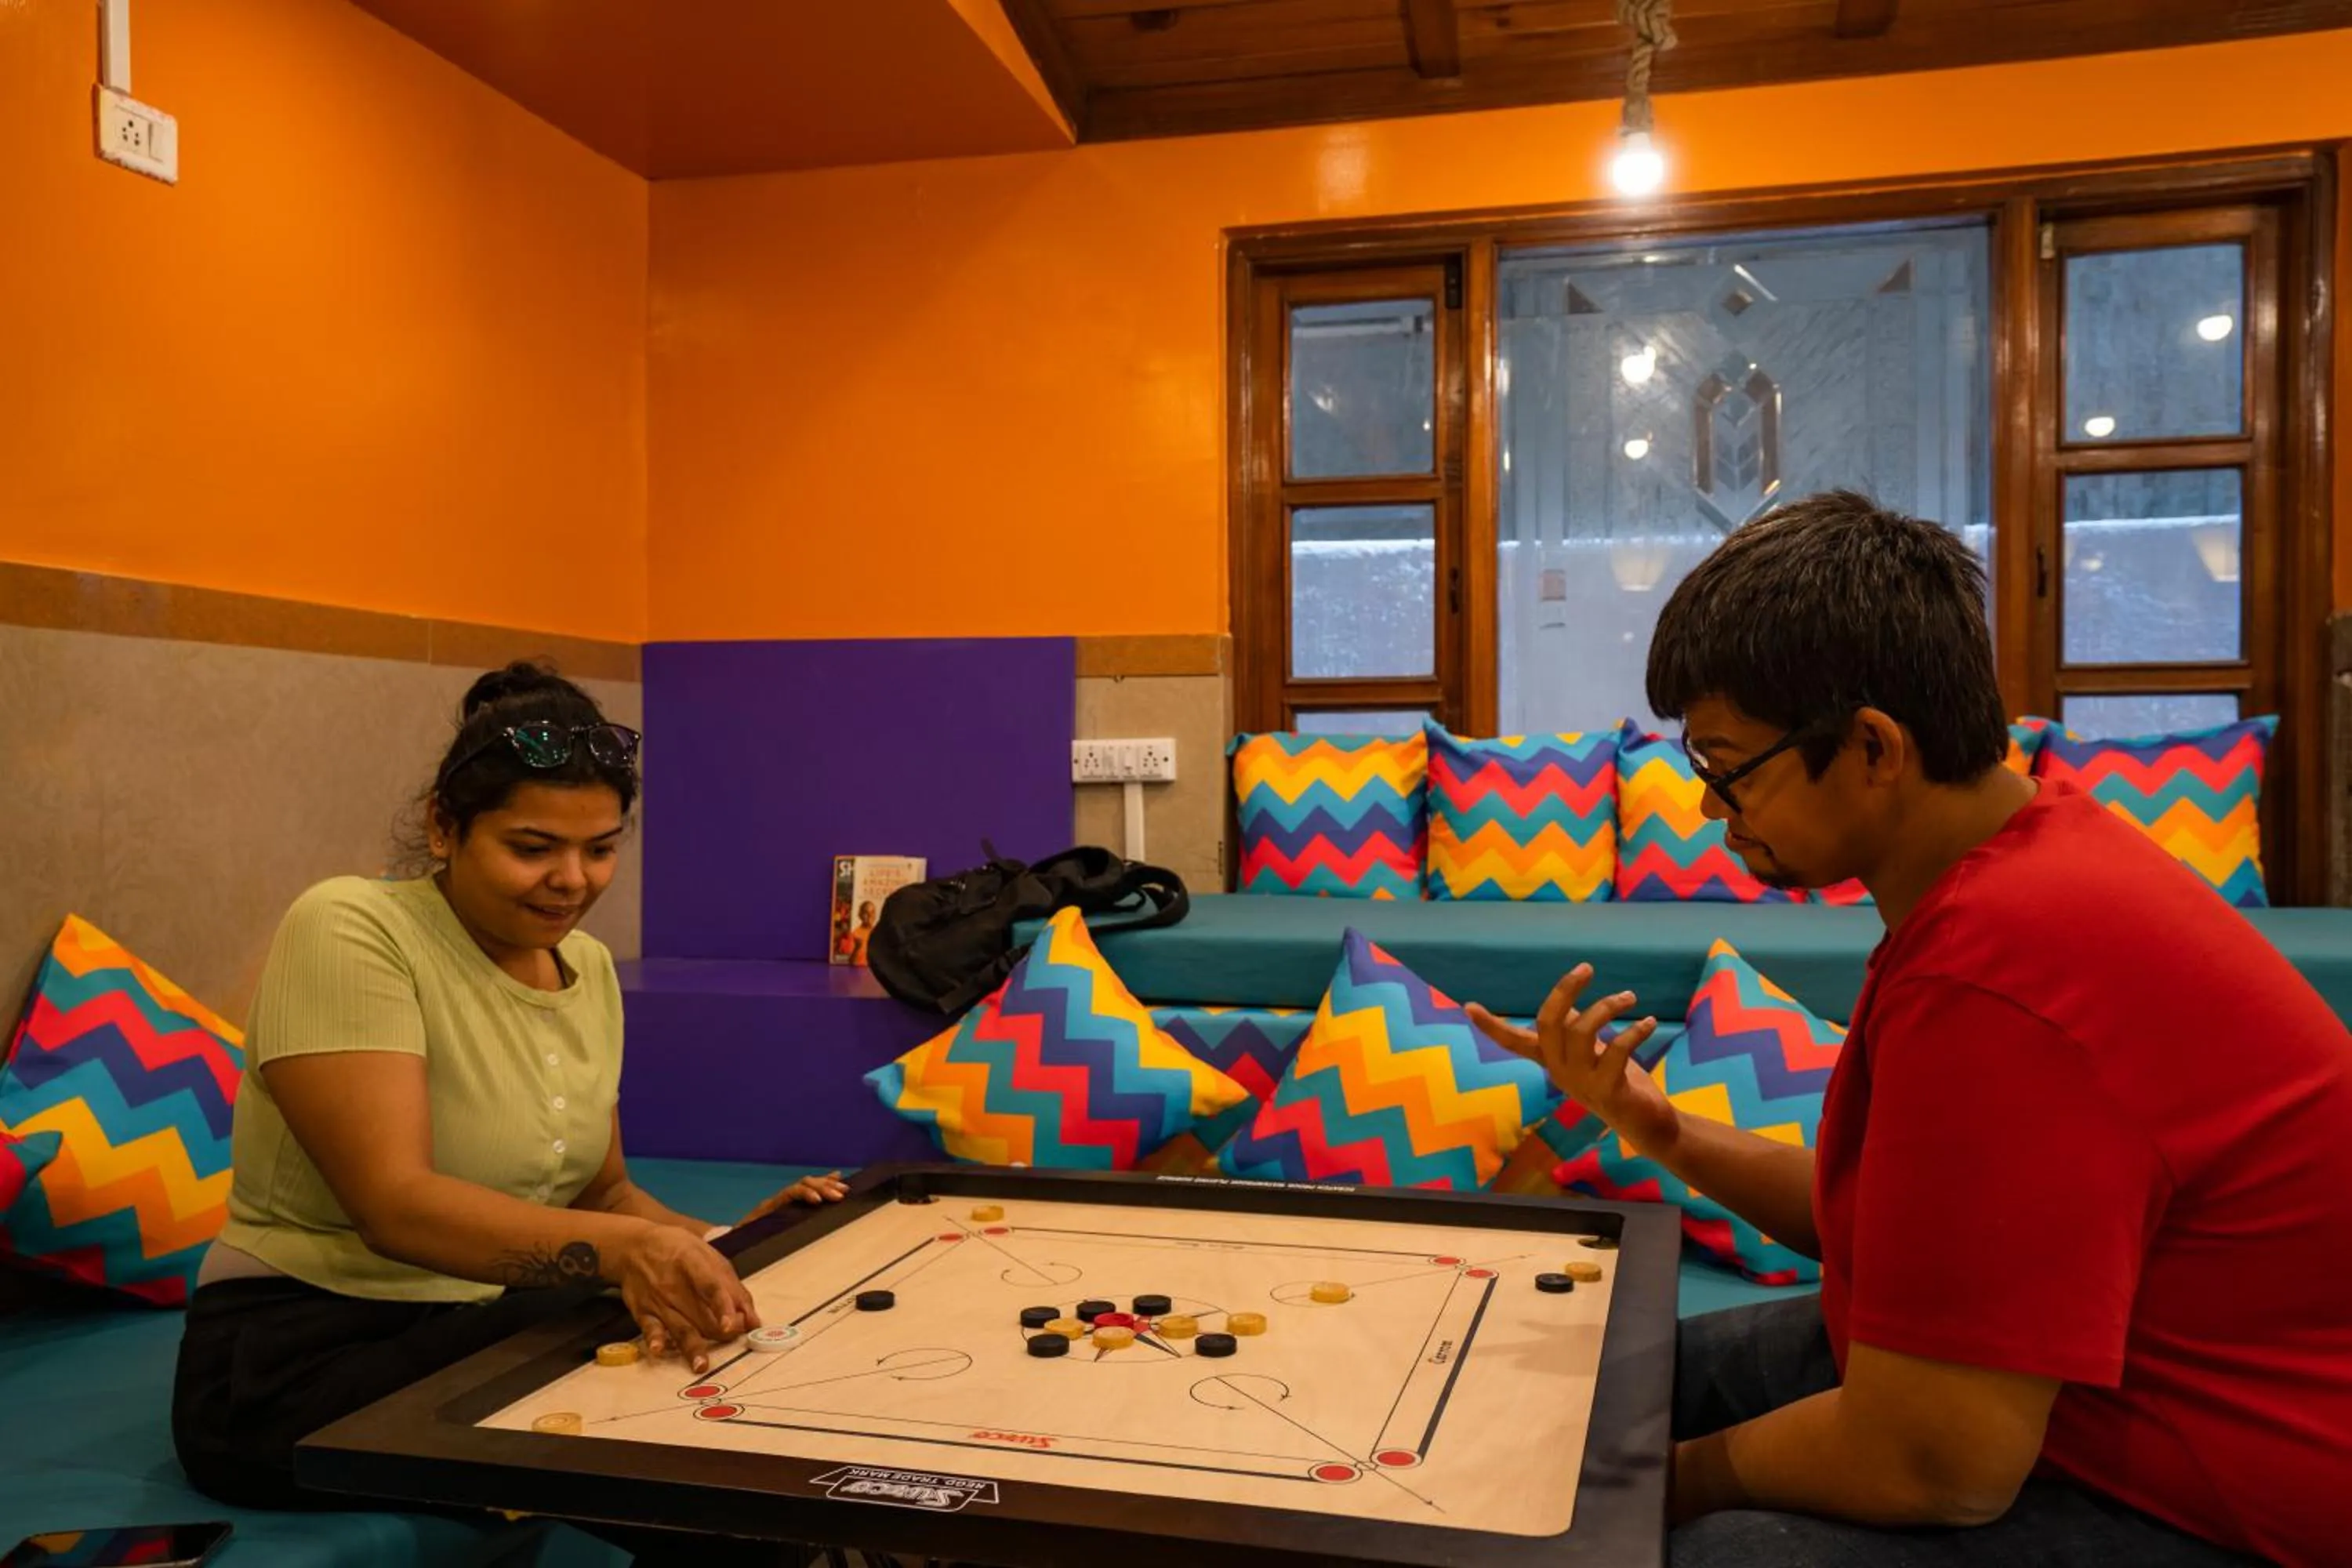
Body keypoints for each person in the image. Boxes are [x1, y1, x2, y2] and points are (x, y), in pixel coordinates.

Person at [1468, 492, 2352, 1568]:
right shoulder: (2015, 869)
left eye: (1726, 766)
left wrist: (1643, 1495)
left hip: (2229, 1497)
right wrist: (1660, 1129)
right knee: (1619, 1375)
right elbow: (1893, 1229)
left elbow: (1938, 1464)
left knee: (1717, 1546)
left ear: (1874, 747)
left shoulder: (2009, 969)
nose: (1710, 809)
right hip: (2076, 1398)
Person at [172, 662, 849, 1537]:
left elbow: (601, 1194)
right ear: (444, 827)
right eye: (533, 847)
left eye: (600, 848)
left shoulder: (589, 968)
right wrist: (634, 1253)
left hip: (481, 1320)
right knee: (698, 1439)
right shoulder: (352, 927)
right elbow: (395, 1208)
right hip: (301, 1358)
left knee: (736, 1369)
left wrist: (726, 1246)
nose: (572, 879)